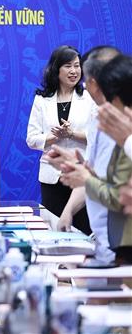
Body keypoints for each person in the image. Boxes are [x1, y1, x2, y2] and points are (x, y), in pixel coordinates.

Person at [46, 46, 120, 263]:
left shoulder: (124, 122)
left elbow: (121, 191)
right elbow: (93, 174)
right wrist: (68, 212)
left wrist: (85, 175)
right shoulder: (98, 121)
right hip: (103, 239)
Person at [60, 54, 132, 264]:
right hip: (107, 241)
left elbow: (118, 197)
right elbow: (99, 176)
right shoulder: (100, 123)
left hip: (121, 246)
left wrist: (86, 178)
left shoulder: (123, 132)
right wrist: (79, 169)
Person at [26, 45, 94, 234]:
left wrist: (72, 134)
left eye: (77, 66)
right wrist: (54, 136)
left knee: (83, 230)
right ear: (56, 69)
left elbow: (98, 136)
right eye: (68, 66)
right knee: (54, 231)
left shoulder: (89, 97)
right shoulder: (42, 100)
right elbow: (31, 139)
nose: (74, 71)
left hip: (81, 174)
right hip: (52, 177)